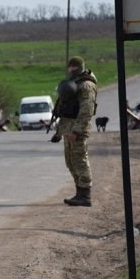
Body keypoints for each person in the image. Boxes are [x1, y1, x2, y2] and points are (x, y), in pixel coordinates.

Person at [51, 56, 98, 206]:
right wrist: (59, 132)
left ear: (80, 67)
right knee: (71, 162)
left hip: (77, 130)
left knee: (80, 160)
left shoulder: (86, 85)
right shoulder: (74, 83)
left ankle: (85, 195)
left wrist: (77, 131)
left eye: (74, 67)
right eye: (69, 67)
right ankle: (79, 192)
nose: (71, 69)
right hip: (68, 128)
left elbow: (86, 110)